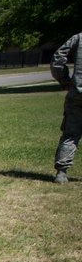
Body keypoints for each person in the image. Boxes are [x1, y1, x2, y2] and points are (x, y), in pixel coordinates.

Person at [51, 31, 82, 184]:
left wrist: (65, 81)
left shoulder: (78, 38)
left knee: (70, 134)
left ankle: (61, 173)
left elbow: (57, 60)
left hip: (77, 94)